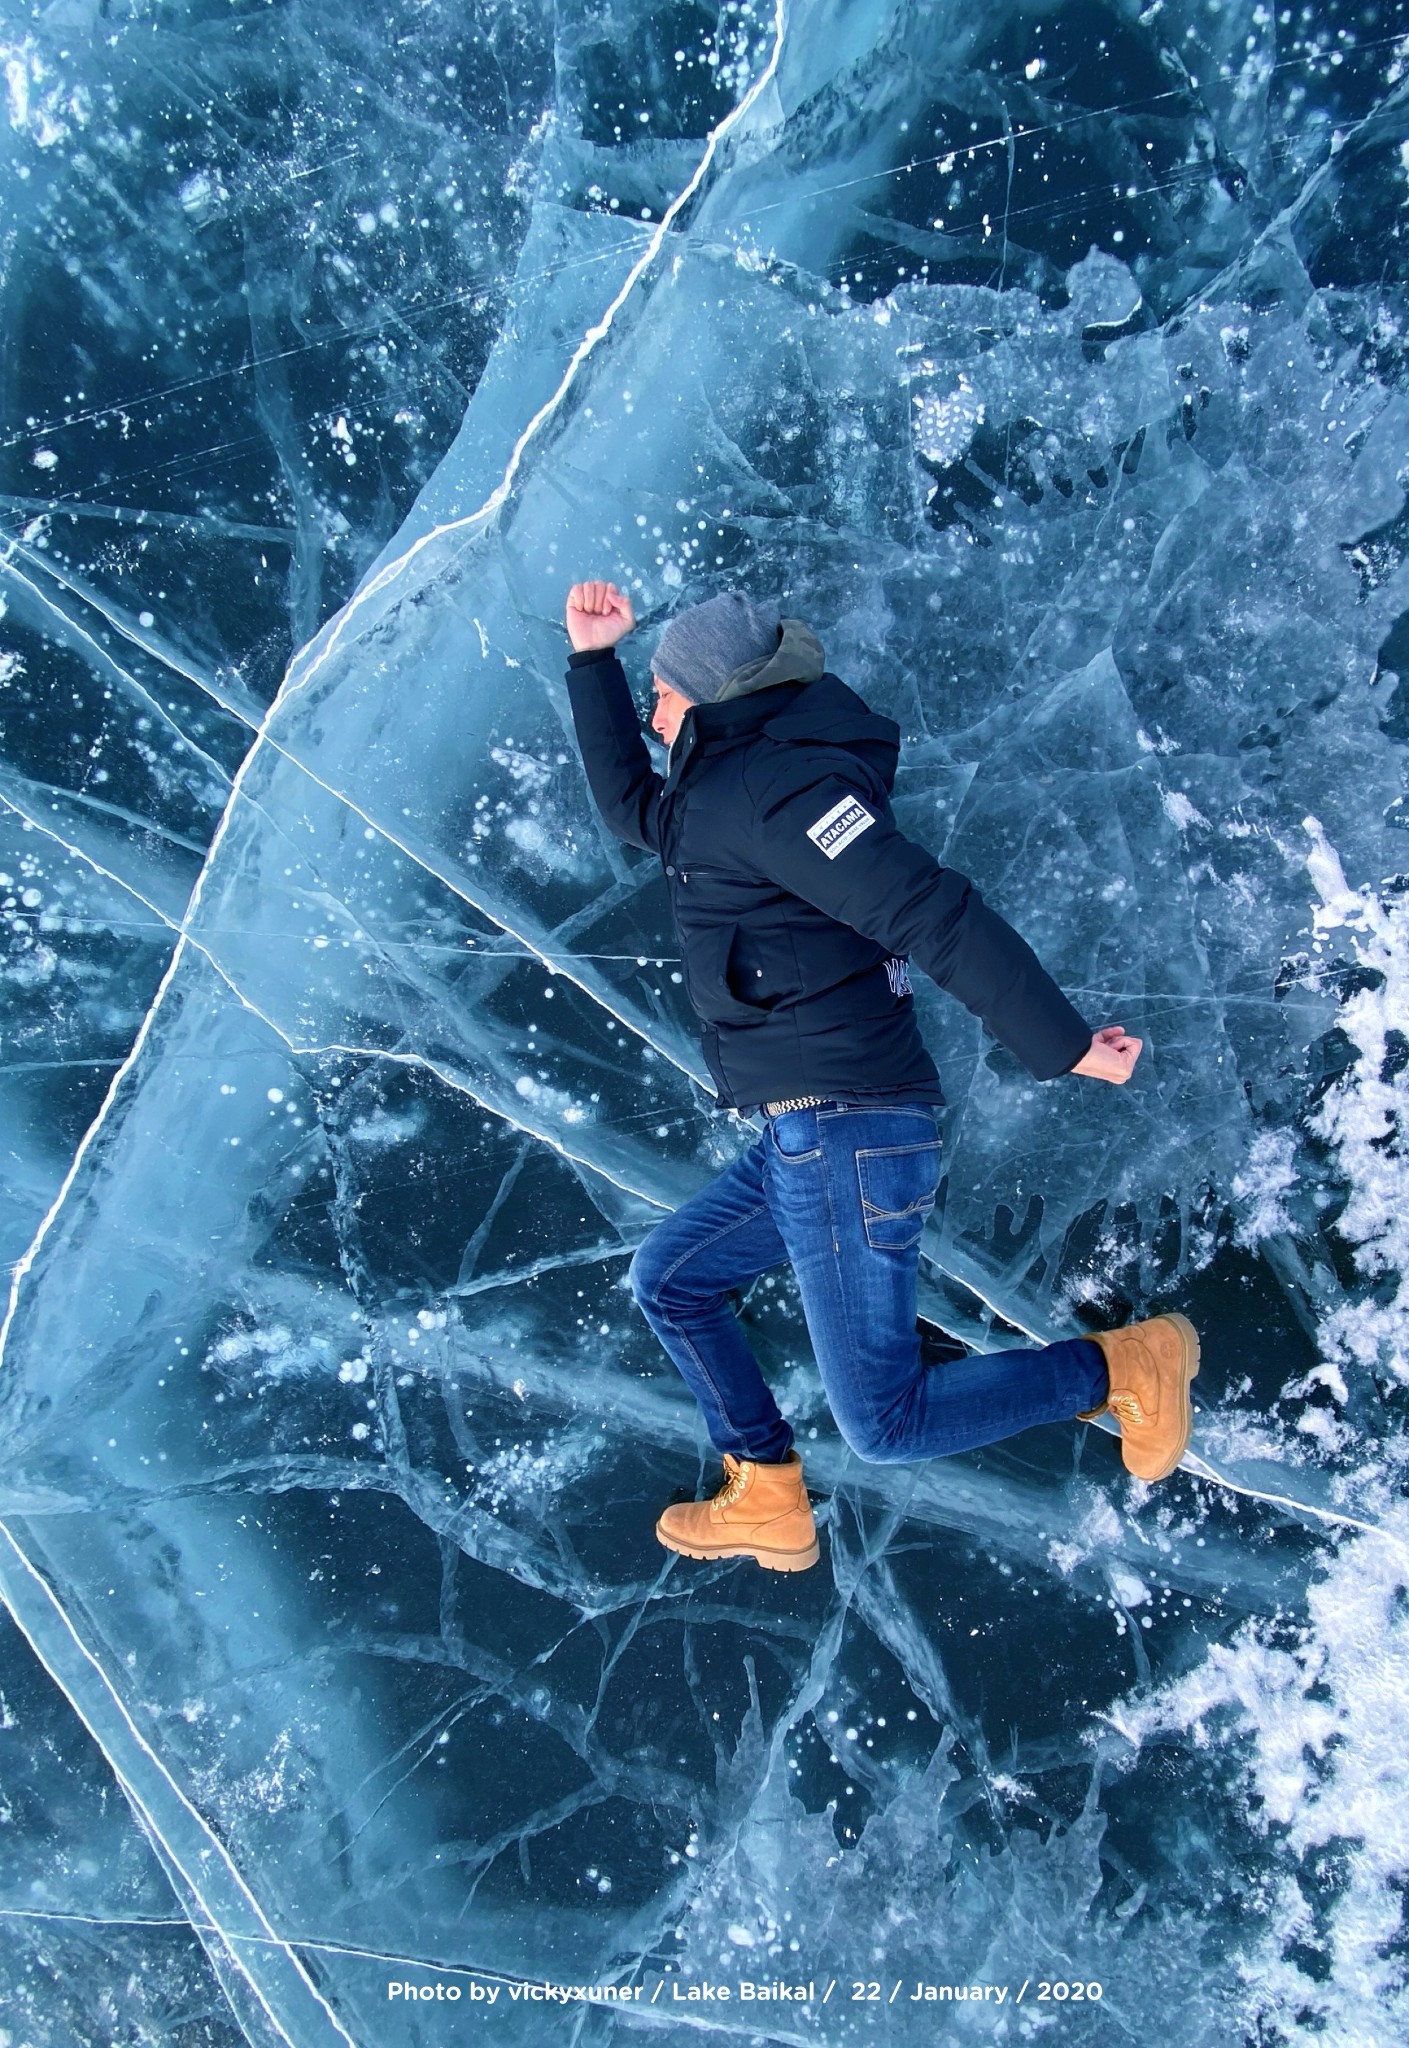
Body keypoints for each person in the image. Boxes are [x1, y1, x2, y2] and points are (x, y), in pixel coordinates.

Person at [562, 579, 1199, 1571]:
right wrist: (593, 664)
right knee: (672, 1280)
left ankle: (1124, 1365)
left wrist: (1061, 1042)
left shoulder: (778, 791)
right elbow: (633, 811)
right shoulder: (721, 790)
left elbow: (928, 910)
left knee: (886, 1421)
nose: (651, 713)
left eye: (659, 692)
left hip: (845, 1133)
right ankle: (765, 1489)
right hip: (805, 1135)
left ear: (712, 695)